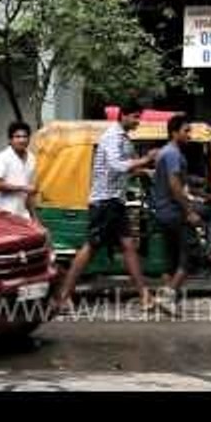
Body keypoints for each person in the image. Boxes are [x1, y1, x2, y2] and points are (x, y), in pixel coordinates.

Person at [49, 102, 158, 316]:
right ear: (123, 116)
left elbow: (122, 171)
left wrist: (143, 171)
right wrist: (146, 159)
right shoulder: (112, 137)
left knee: (128, 246)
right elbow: (117, 165)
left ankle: (144, 295)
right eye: (135, 117)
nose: (138, 122)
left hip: (116, 201)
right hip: (104, 202)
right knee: (90, 247)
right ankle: (63, 297)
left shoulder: (123, 139)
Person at [153, 114, 200, 316]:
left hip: (162, 211)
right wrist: (189, 211)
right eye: (186, 130)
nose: (189, 134)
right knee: (192, 254)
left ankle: (168, 300)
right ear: (174, 133)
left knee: (170, 258)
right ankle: (169, 295)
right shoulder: (172, 154)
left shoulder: (165, 152)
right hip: (174, 212)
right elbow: (174, 184)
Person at [0, 121, 38, 221]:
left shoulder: (32, 158)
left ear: (29, 139)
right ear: (10, 140)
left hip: (22, 214)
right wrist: (22, 188)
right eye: (17, 137)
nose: (22, 140)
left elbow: (29, 193)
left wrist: (34, 218)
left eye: (25, 136)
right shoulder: (3, 157)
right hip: (2, 214)